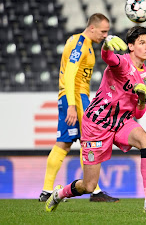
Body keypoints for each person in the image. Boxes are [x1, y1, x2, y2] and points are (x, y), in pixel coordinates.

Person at [45, 26, 146, 214]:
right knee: (89, 186)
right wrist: (107, 45)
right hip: (96, 125)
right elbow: (108, 57)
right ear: (131, 47)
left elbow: (139, 114)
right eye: (142, 43)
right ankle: (60, 194)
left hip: (121, 123)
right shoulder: (122, 63)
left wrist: (142, 100)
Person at [39, 13, 119, 203]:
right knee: (84, 141)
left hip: (78, 97)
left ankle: (48, 191)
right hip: (73, 97)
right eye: (103, 31)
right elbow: (69, 75)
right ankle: (94, 191)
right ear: (92, 28)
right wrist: (72, 106)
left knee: (68, 142)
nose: (105, 35)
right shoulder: (79, 44)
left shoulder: (87, 45)